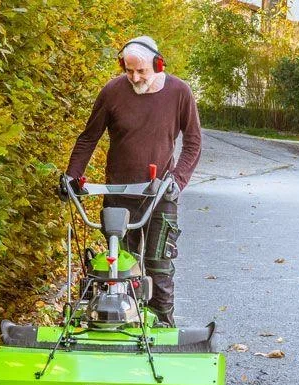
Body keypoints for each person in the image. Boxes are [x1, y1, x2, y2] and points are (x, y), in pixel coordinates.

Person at [63, 35, 202, 327]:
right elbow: (89, 137)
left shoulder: (179, 92)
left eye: (141, 71)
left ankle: (163, 326)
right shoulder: (113, 91)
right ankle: (124, 326)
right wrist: (72, 176)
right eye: (129, 71)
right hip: (118, 194)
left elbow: (193, 142)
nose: (135, 77)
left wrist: (178, 180)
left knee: (158, 266)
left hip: (160, 193)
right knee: (120, 269)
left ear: (158, 64)